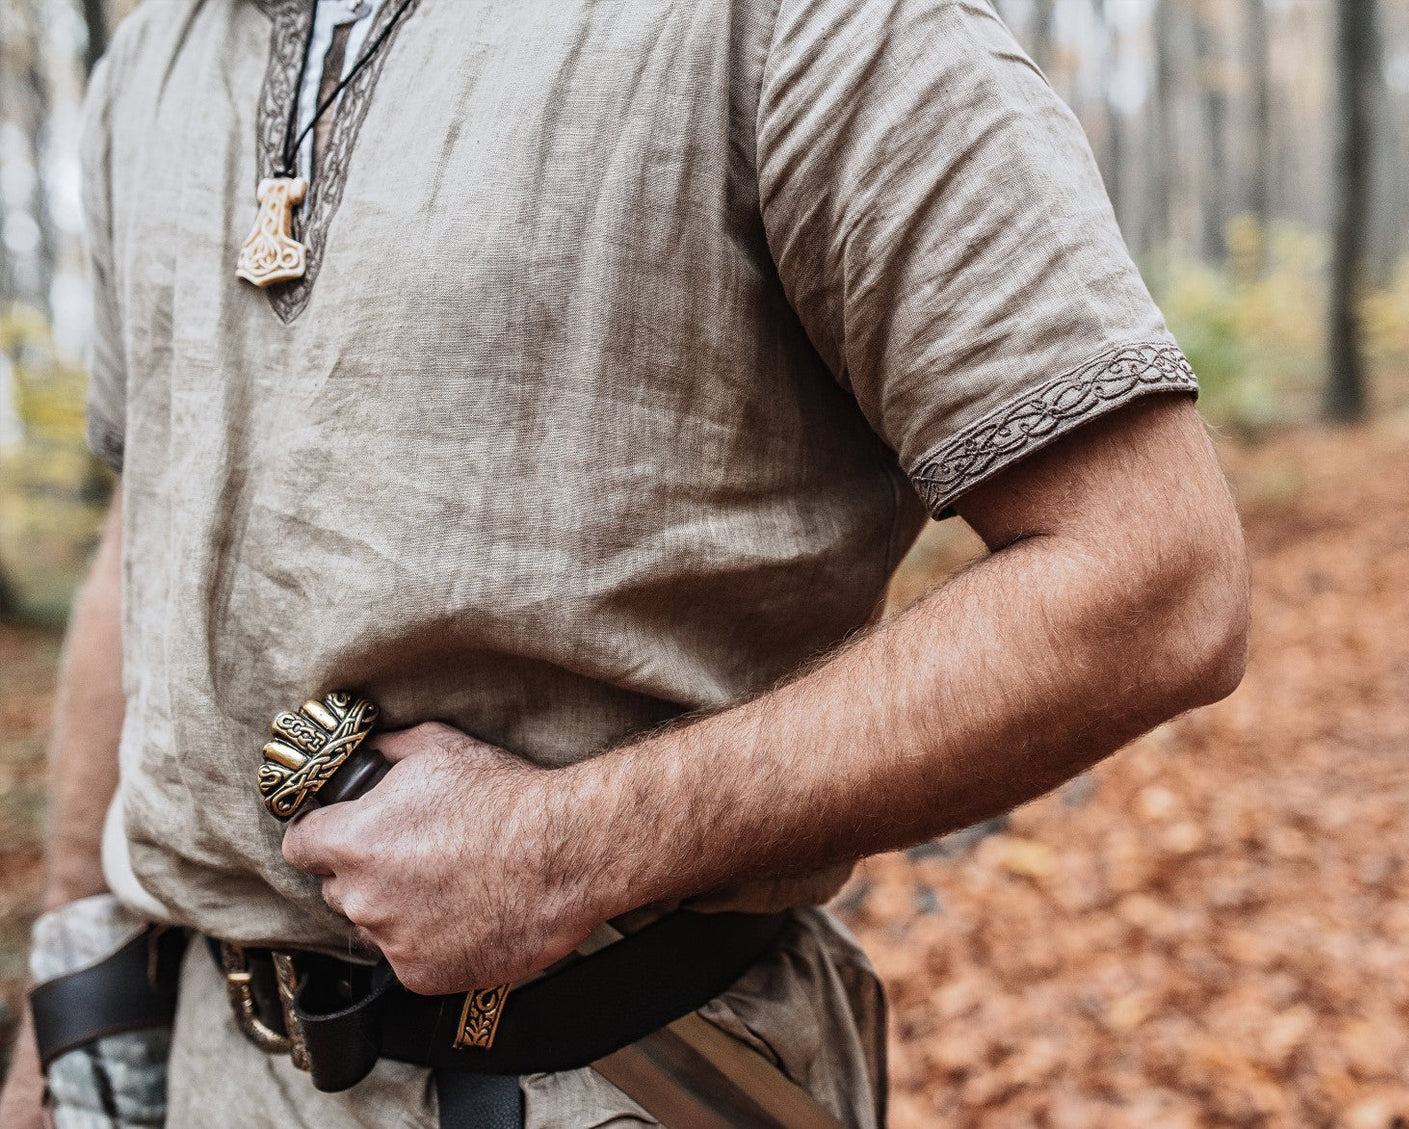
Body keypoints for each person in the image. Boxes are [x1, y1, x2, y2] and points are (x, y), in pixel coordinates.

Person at [0, 0, 1250, 1126]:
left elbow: (1155, 576)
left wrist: (568, 844)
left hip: (634, 1074)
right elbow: (149, 525)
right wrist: (78, 974)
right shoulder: (152, 53)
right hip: (211, 1065)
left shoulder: (810, 24)